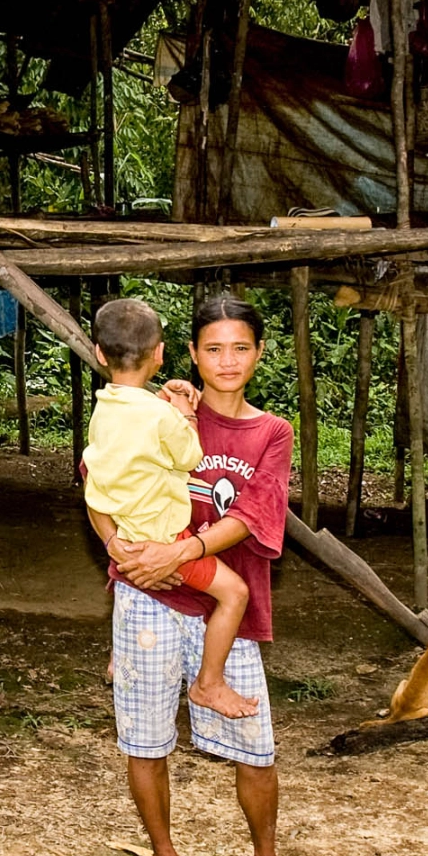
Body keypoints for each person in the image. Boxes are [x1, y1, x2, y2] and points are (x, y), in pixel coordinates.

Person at [89, 293, 316, 856]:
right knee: (145, 743)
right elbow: (97, 481)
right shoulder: (152, 411)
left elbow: (253, 513)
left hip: (225, 605)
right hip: (149, 598)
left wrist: (178, 550)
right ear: (187, 354)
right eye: (213, 349)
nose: (227, 360)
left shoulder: (271, 431)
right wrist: (124, 552)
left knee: (258, 749)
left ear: (260, 353)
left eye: (240, 347)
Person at [83, 298, 254, 720]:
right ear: (161, 354)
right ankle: (209, 683)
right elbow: (189, 456)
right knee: (235, 593)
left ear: (100, 354)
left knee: (136, 597)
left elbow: (100, 468)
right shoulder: (162, 416)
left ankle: (119, 655)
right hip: (167, 540)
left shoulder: (104, 409)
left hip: (124, 536)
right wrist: (186, 416)